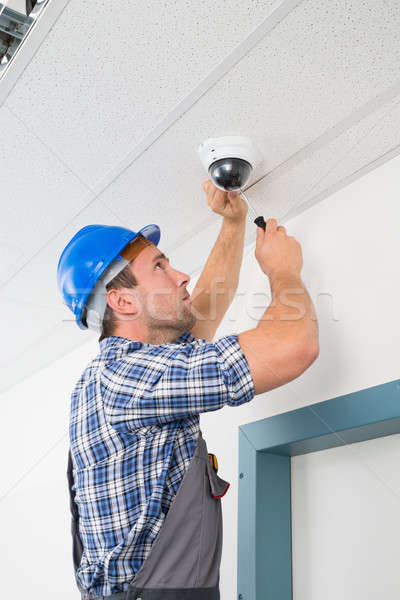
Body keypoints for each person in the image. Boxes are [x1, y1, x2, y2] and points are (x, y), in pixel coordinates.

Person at [57, 180, 319, 600]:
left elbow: (200, 314)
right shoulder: (128, 376)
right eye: (160, 266)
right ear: (122, 302)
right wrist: (283, 272)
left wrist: (232, 223)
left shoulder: (120, 372)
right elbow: (294, 346)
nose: (182, 276)